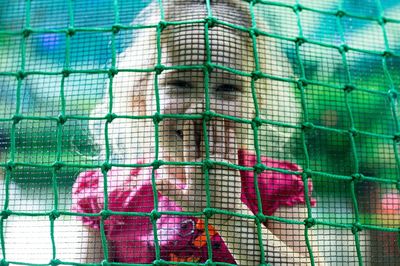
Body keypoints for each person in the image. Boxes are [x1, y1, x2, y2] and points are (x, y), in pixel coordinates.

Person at [72, 0, 323, 264]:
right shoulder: (110, 193)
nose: (203, 108)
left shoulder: (273, 184)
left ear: (255, 102)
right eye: (179, 83)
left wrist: (229, 215)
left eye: (227, 88)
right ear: (140, 94)